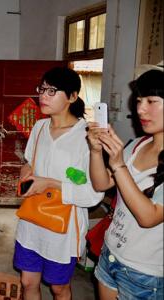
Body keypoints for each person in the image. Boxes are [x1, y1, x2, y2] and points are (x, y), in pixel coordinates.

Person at [13, 67, 104, 299]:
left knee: (58, 287)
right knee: (27, 281)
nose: (43, 95)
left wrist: (50, 184)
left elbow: (94, 194)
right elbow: (29, 162)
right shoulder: (39, 127)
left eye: (52, 91)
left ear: (72, 96)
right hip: (32, 220)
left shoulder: (87, 137)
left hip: (63, 228)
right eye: (41, 89)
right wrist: (27, 174)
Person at [87, 69, 163, 300]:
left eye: (152, 101)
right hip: (111, 254)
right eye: (139, 101)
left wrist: (119, 165)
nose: (140, 109)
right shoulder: (139, 144)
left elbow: (148, 217)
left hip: (144, 272)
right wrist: (96, 151)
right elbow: (102, 184)